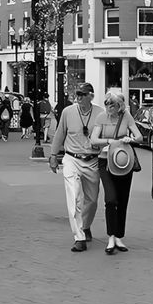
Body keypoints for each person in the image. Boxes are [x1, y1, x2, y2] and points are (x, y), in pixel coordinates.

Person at [48, 82, 106, 252]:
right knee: (74, 197)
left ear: (91, 96)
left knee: (92, 200)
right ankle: (79, 236)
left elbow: (106, 135)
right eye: (77, 94)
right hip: (71, 159)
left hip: (93, 159)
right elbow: (60, 133)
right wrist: (53, 156)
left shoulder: (100, 113)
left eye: (82, 94)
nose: (78, 97)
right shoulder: (68, 112)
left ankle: (86, 226)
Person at [89, 89, 142, 255]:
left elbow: (139, 137)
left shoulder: (126, 116)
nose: (108, 107)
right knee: (111, 199)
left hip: (123, 161)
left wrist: (130, 139)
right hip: (105, 161)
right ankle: (111, 236)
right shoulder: (101, 118)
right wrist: (109, 141)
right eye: (106, 103)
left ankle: (119, 236)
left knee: (123, 199)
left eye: (111, 104)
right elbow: (93, 140)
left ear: (119, 105)